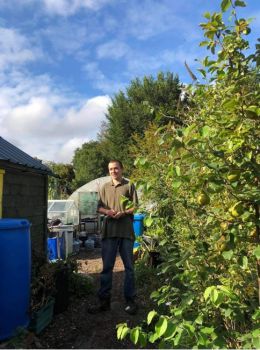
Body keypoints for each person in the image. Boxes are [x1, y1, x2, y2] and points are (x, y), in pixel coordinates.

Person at [88, 160, 138, 315]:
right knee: (107, 268)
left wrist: (124, 212)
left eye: (116, 168)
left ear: (122, 169)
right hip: (109, 231)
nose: (113, 171)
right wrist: (107, 212)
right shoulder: (104, 187)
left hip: (126, 231)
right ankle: (104, 301)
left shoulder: (129, 186)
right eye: (111, 169)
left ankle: (130, 301)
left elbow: (135, 206)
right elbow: (99, 207)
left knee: (129, 268)